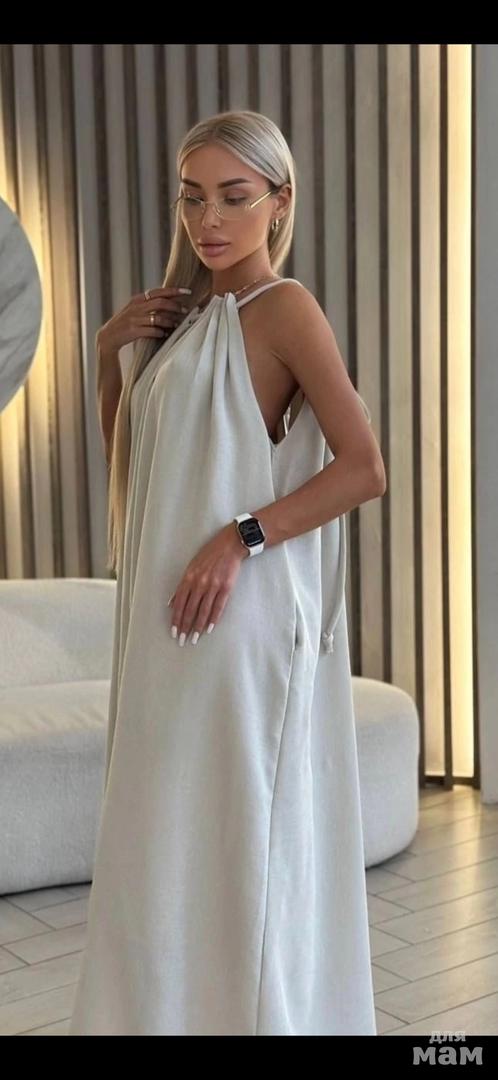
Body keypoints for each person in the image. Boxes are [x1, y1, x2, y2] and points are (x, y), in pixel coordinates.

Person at [68, 109, 386, 1036]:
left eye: (234, 197)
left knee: (230, 834)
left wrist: (239, 536)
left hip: (234, 621)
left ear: (279, 202)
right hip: (162, 622)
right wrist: (108, 354)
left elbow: (364, 467)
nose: (208, 220)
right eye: (193, 197)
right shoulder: (184, 320)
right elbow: (138, 470)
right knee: (159, 835)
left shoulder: (285, 309)